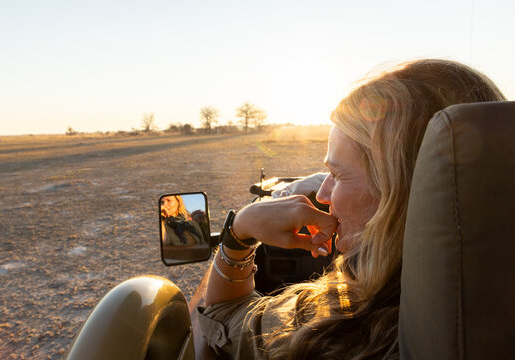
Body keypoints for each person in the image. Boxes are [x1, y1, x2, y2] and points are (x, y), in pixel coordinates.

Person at [197, 59, 506, 359]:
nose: (323, 193)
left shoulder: (344, 330)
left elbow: (224, 316)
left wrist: (241, 232)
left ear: (397, 192)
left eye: (338, 174)